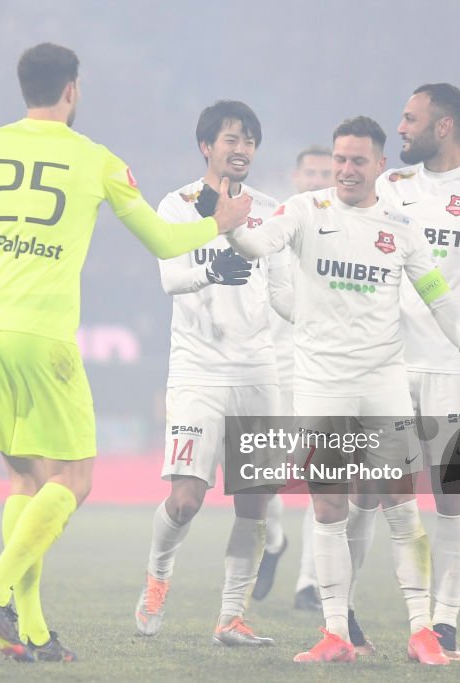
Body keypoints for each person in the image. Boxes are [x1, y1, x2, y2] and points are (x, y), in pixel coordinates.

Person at [0, 43, 252, 663]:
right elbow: (161, 240)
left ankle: (33, 627)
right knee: (75, 478)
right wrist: (222, 220)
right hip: (41, 338)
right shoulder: (96, 159)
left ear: (25, 89)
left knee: (26, 477)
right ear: (71, 90)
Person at [225, 115, 460, 665]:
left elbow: (438, 296)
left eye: (356, 160)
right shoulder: (304, 211)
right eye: (339, 159)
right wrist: (230, 225)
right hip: (322, 386)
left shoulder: (399, 225)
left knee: (402, 504)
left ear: (380, 165)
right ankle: (334, 635)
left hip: (382, 385)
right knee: (329, 508)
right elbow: (258, 243)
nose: (346, 170)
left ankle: (422, 631)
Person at [345, 83, 460, 661]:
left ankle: (444, 623)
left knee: (454, 498)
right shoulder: (390, 187)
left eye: (410, 119)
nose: (399, 128)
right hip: (385, 363)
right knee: (366, 491)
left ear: (444, 126)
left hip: (456, 370)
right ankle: (341, 616)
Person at [135, 100, 290, 646]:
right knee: (185, 499)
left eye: (249, 139)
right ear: (206, 146)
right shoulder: (176, 207)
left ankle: (231, 617)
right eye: (230, 138)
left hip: (257, 368)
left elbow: (284, 292)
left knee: (255, 500)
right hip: (199, 368)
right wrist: (210, 272)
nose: (241, 147)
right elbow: (170, 278)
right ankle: (157, 579)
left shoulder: (273, 210)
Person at [254, 144, 335, 610]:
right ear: (295, 175)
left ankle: (310, 583)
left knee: (323, 476)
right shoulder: (274, 225)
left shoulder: (353, 228)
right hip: (274, 364)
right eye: (313, 172)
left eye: (328, 171)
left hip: (325, 368)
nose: (321, 179)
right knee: (260, 476)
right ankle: (274, 540)